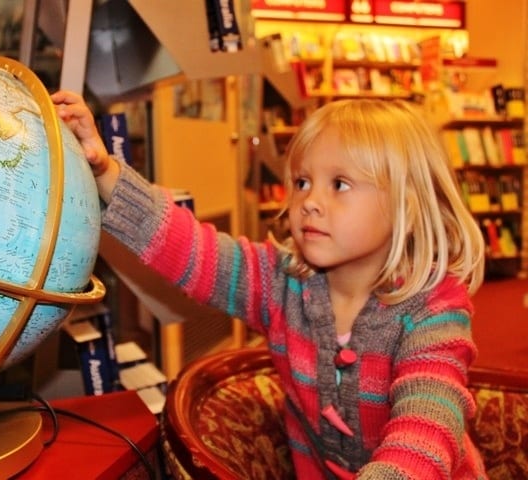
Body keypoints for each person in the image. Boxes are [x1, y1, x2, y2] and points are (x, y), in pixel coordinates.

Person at [51, 90, 487, 479]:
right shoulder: (284, 282)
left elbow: (427, 425)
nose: (309, 202)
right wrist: (105, 170)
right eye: (301, 181)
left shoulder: (434, 308)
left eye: (339, 184)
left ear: (407, 205)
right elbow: (191, 250)